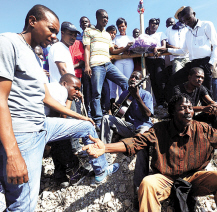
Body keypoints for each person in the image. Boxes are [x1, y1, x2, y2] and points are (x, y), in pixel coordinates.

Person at [83, 93, 217, 212]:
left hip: (195, 178)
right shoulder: (159, 130)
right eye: (182, 107)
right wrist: (106, 147)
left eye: (190, 107)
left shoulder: (203, 129)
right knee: (148, 184)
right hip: (165, 179)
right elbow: (135, 143)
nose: (188, 110)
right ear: (172, 112)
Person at [0, 5, 119, 211]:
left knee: (87, 128)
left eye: (56, 32)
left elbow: (45, 97)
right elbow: (1, 99)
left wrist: (77, 117)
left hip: (42, 124)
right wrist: (12, 154)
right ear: (32, 21)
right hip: (24, 133)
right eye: (51, 30)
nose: (55, 36)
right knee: (23, 205)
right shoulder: (8, 42)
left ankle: (101, 171)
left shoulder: (34, 56)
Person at [83, 9, 129, 126]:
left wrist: (125, 48)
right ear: (97, 17)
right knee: (96, 93)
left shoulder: (107, 35)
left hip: (108, 64)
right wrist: (87, 65)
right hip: (96, 65)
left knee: (125, 82)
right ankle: (98, 121)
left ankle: (125, 111)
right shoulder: (89, 31)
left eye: (107, 17)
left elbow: (112, 50)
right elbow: (87, 49)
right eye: (103, 17)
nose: (106, 19)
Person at [164, 6, 217, 96]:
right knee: (174, 80)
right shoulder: (187, 33)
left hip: (206, 63)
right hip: (193, 64)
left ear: (194, 14)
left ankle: (210, 107)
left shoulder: (207, 25)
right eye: (185, 21)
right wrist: (167, 50)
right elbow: (183, 51)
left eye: (188, 19)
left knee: (207, 93)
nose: (187, 22)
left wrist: (211, 64)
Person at [173, 67, 217, 132]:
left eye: (202, 78)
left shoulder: (200, 88)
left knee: (216, 114)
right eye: (197, 77)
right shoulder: (178, 89)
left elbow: (210, 101)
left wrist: (215, 106)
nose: (200, 79)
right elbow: (182, 108)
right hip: (181, 118)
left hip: (192, 117)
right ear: (189, 77)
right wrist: (203, 108)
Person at [109, 18, 134, 101]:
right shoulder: (115, 38)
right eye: (119, 27)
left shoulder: (131, 38)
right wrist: (123, 49)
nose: (121, 29)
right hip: (118, 62)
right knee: (119, 82)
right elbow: (113, 49)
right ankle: (119, 102)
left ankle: (127, 101)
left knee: (127, 82)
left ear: (126, 26)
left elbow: (135, 49)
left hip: (129, 62)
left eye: (123, 26)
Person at [146, 18, 168, 107]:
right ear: (149, 24)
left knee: (160, 80)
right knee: (153, 81)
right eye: (151, 23)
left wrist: (156, 48)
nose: (153, 25)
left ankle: (164, 101)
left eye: (155, 24)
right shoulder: (146, 36)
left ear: (158, 26)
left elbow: (164, 47)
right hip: (149, 60)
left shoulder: (161, 34)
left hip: (159, 59)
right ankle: (159, 103)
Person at [165, 6, 189, 74]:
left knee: (190, 78)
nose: (183, 16)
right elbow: (165, 44)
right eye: (181, 14)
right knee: (177, 77)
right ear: (178, 16)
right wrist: (176, 48)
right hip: (176, 57)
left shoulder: (189, 28)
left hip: (189, 57)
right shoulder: (169, 29)